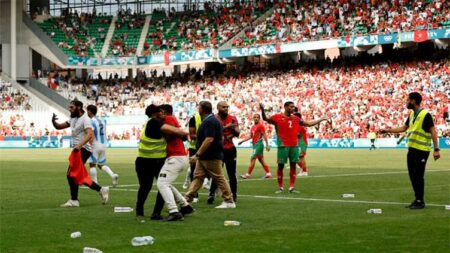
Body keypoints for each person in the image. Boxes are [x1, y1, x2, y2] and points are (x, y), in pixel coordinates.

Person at [378, 92, 440, 209]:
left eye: (408, 100)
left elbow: (433, 131)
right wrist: (387, 131)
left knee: (418, 175)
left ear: (414, 101)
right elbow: (404, 128)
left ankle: (420, 201)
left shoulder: (425, 115)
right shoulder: (412, 114)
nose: (407, 102)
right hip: (412, 150)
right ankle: (417, 199)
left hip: (422, 150)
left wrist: (436, 149)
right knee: (412, 175)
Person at [135, 104, 189, 222]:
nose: (163, 114)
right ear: (156, 113)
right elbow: (171, 130)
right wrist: (183, 133)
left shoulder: (154, 122)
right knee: (148, 187)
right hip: (146, 161)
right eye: (161, 112)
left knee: (161, 185)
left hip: (156, 160)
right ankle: (142, 211)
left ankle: (155, 213)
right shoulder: (154, 122)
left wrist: (180, 134)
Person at [260, 102, 328, 193]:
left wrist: (321, 119)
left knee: (293, 166)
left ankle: (291, 187)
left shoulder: (296, 118)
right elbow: (265, 119)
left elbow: (308, 124)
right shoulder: (277, 117)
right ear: (285, 107)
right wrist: (262, 110)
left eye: (293, 107)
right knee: (280, 166)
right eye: (291, 107)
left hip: (294, 146)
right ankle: (280, 187)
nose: (293, 108)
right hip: (282, 146)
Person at [52, 100, 109, 207]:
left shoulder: (85, 119)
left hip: (83, 150)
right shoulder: (73, 118)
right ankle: (101, 189)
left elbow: (89, 134)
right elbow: (59, 127)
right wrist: (53, 122)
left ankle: (75, 200)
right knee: (77, 176)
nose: (70, 109)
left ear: (79, 107)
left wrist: (79, 145)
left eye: (72, 107)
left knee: (71, 175)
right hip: (78, 150)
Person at [185, 101, 236, 209]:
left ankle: (229, 200)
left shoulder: (209, 121)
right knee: (198, 177)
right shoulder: (211, 120)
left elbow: (209, 139)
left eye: (199, 107)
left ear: (201, 109)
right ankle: (188, 198)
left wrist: (197, 155)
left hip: (210, 156)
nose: (198, 109)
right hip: (206, 156)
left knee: (219, 178)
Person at [156, 104, 194, 221]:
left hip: (175, 157)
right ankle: (185, 206)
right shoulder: (172, 119)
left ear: (164, 112)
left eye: (160, 112)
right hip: (177, 156)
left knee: (162, 183)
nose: (158, 115)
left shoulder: (169, 119)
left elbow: (174, 133)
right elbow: (180, 134)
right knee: (167, 183)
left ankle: (174, 211)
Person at [207, 101, 240, 204]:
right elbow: (215, 132)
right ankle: (211, 194)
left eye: (227, 107)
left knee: (232, 174)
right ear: (218, 108)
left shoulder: (232, 118)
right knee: (216, 173)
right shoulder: (214, 119)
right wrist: (227, 127)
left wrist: (233, 131)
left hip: (230, 149)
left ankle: (234, 195)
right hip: (218, 149)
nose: (226, 109)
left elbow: (238, 133)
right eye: (223, 107)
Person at [86, 105, 119, 186]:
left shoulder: (90, 121)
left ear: (90, 111)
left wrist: (89, 144)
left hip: (95, 144)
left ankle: (95, 183)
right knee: (101, 165)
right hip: (103, 144)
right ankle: (112, 175)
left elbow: (91, 134)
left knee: (92, 164)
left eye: (87, 111)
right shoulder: (102, 120)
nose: (87, 112)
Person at [238, 114, 271, 179]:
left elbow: (264, 135)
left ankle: (247, 175)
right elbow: (251, 136)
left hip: (259, 144)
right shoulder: (253, 127)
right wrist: (242, 141)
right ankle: (268, 174)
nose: (256, 118)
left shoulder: (261, 126)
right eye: (255, 117)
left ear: (259, 118)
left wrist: (267, 145)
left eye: (257, 117)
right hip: (255, 145)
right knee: (261, 160)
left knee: (252, 158)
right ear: (253, 118)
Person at [293, 112, 309, 177]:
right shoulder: (298, 125)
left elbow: (296, 134)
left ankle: (304, 171)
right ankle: (303, 170)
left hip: (302, 143)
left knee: (301, 157)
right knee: (296, 158)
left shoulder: (299, 126)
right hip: (299, 143)